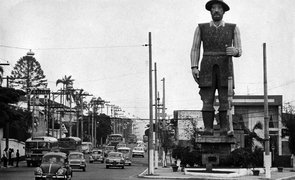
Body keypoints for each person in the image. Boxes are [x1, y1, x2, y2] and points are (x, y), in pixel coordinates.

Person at [190, 0, 242, 136]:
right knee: (207, 98)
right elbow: (195, 48)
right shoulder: (201, 28)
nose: (216, 10)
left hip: (226, 67)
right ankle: (208, 128)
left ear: (224, 11)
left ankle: (224, 128)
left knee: (225, 98)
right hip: (207, 65)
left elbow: (239, 50)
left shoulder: (233, 28)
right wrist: (194, 66)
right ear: (210, 11)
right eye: (213, 8)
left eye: (219, 8)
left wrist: (234, 51)